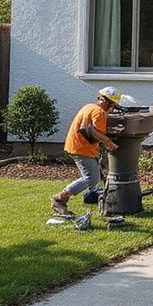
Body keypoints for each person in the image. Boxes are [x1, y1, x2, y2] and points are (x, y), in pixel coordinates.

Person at [51, 87, 120, 216]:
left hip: (78, 145)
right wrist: (109, 144)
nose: (112, 110)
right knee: (91, 178)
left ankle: (97, 198)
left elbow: (90, 130)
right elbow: (96, 133)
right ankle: (60, 198)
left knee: (95, 176)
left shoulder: (89, 107)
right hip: (81, 148)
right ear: (107, 102)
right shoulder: (99, 112)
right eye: (112, 106)